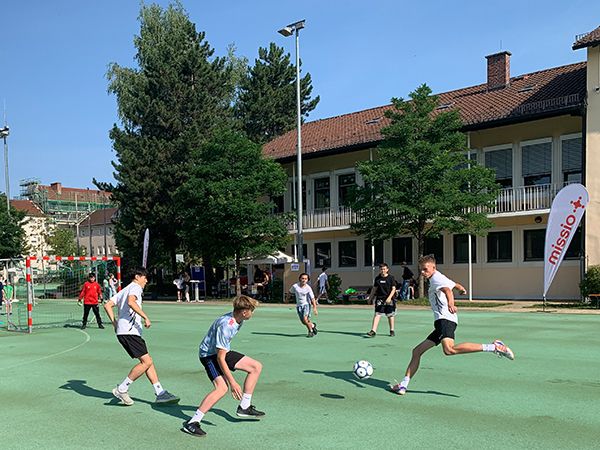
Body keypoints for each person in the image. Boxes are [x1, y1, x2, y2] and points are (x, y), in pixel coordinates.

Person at [390, 255, 515, 396]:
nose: (423, 273)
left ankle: (495, 347)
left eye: (425, 269)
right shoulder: (439, 276)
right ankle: (403, 385)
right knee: (417, 351)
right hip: (441, 322)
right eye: (421, 270)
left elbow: (448, 290)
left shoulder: (436, 279)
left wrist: (451, 303)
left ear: (433, 268)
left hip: (445, 320)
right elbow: (454, 285)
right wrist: (461, 289)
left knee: (449, 350)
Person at [181, 295, 264, 437]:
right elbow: (220, 358)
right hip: (209, 355)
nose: (253, 313)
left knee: (255, 367)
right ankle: (192, 423)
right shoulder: (227, 325)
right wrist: (233, 383)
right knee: (222, 388)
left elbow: (222, 352)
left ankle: (244, 406)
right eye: (252, 310)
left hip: (221, 351)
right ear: (244, 312)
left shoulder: (238, 319)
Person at [103, 267, 180, 406]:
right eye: (145, 278)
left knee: (148, 361)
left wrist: (115, 323)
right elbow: (131, 302)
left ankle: (160, 392)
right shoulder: (135, 288)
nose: (146, 281)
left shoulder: (124, 289)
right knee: (146, 362)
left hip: (125, 331)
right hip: (129, 332)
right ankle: (122, 388)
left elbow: (107, 305)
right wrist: (145, 317)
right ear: (138, 277)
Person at [366, 263, 397, 337]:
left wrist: (389, 298)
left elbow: (393, 289)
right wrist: (370, 298)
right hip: (380, 299)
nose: (383, 271)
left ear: (387, 269)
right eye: (381, 269)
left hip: (389, 299)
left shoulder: (391, 278)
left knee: (390, 315)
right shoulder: (377, 278)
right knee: (377, 314)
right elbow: (374, 289)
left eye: (384, 269)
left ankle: (392, 330)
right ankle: (373, 331)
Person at [289, 273, 318, 337]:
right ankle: (312, 325)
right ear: (299, 279)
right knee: (304, 322)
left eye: (306, 279)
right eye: (302, 278)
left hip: (306, 305)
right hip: (299, 306)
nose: (304, 280)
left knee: (305, 319)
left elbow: (312, 298)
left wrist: (315, 308)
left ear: (307, 280)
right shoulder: (295, 286)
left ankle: (310, 332)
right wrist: (287, 299)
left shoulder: (308, 288)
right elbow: (290, 292)